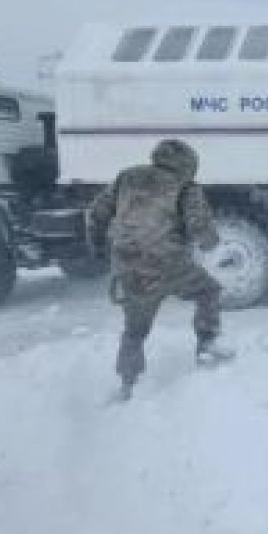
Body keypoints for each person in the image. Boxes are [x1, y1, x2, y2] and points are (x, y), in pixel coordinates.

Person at [88, 139, 234, 401]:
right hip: (168, 264)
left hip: (128, 267)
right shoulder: (186, 187)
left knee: (134, 330)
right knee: (208, 291)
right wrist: (211, 242)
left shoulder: (126, 177)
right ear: (188, 165)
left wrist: (99, 247)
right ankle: (208, 345)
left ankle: (128, 385)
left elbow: (97, 213)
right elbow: (200, 227)